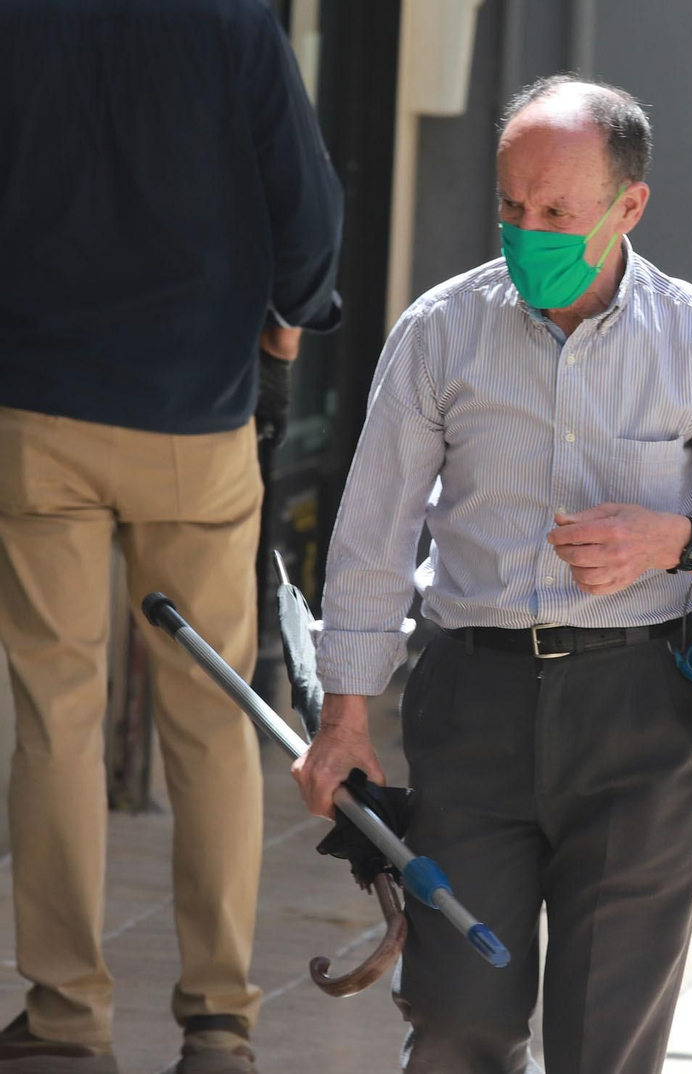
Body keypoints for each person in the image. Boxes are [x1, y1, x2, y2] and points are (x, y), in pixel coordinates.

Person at [292, 77, 692, 1074]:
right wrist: (345, 715)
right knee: (457, 1018)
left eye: (555, 213)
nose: (526, 233)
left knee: (603, 1038)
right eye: (510, 206)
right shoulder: (440, 332)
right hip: (473, 704)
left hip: (643, 711)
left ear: (629, 206)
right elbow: (372, 537)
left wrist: (677, 541)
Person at [0, 3, 343, 1072]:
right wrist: (285, 325)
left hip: (38, 408)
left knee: (55, 718)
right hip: (198, 417)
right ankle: (219, 1020)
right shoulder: (235, 23)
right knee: (211, 718)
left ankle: (65, 1019)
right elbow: (310, 213)